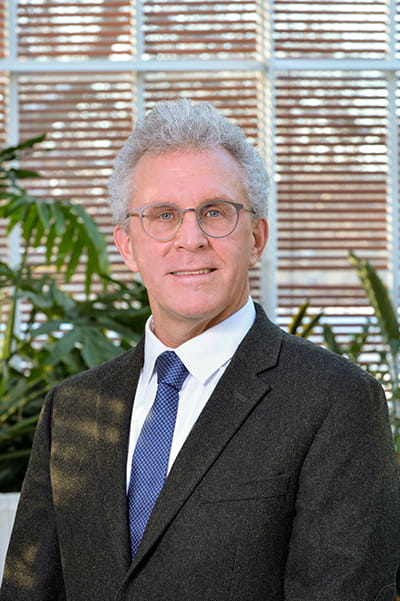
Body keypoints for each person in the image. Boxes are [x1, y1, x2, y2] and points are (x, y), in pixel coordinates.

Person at [1, 98, 399, 601]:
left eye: (215, 212)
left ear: (256, 238)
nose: (190, 239)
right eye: (163, 214)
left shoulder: (338, 402)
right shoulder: (72, 408)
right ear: (127, 245)